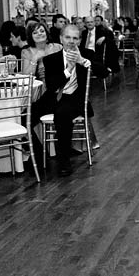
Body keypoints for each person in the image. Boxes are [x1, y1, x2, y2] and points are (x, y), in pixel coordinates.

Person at [34, 24, 107, 176]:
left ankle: (64, 161)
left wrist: (82, 61)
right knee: (24, 116)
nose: (71, 41)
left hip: (76, 98)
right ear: (61, 39)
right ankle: (37, 155)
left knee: (62, 114)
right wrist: (68, 70)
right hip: (53, 96)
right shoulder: (50, 59)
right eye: (67, 37)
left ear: (80, 41)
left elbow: (104, 73)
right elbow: (52, 85)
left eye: (75, 38)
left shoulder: (87, 54)